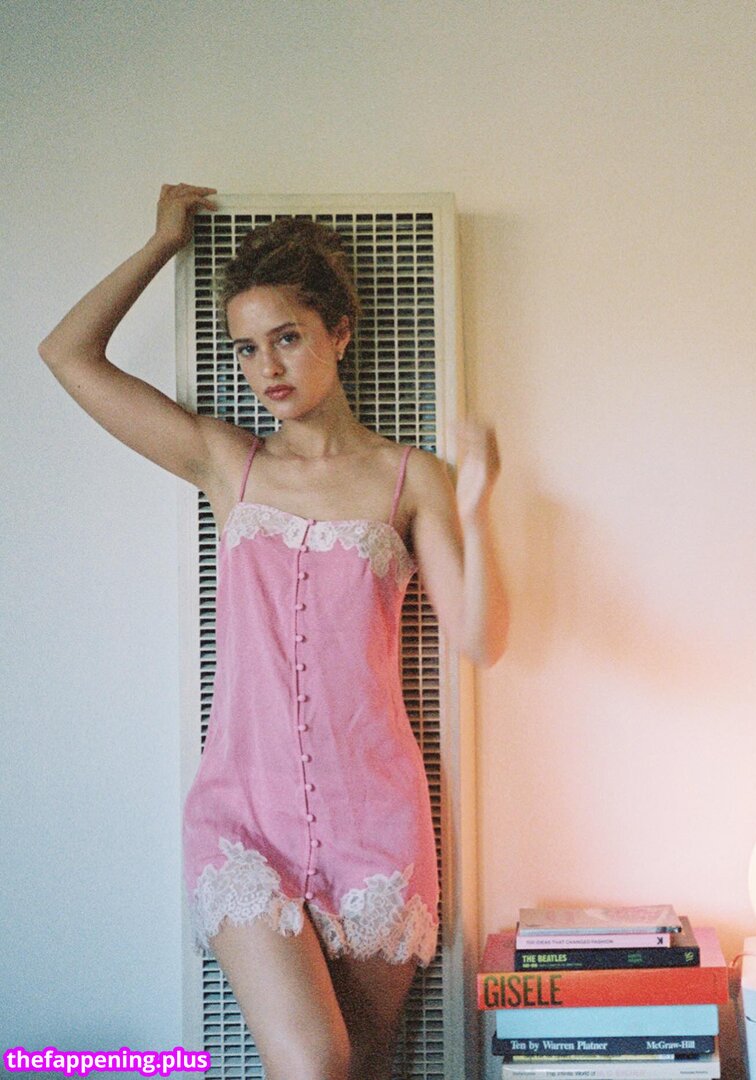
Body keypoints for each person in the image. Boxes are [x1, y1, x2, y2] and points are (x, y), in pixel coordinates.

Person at [39, 183, 509, 1080]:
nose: (266, 368)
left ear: (339, 332)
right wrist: (162, 243)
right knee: (315, 1059)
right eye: (246, 348)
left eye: (287, 337)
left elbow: (480, 638)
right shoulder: (228, 462)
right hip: (242, 820)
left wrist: (479, 513)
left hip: (377, 824)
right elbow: (67, 354)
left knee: (363, 1066)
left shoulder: (412, 478)